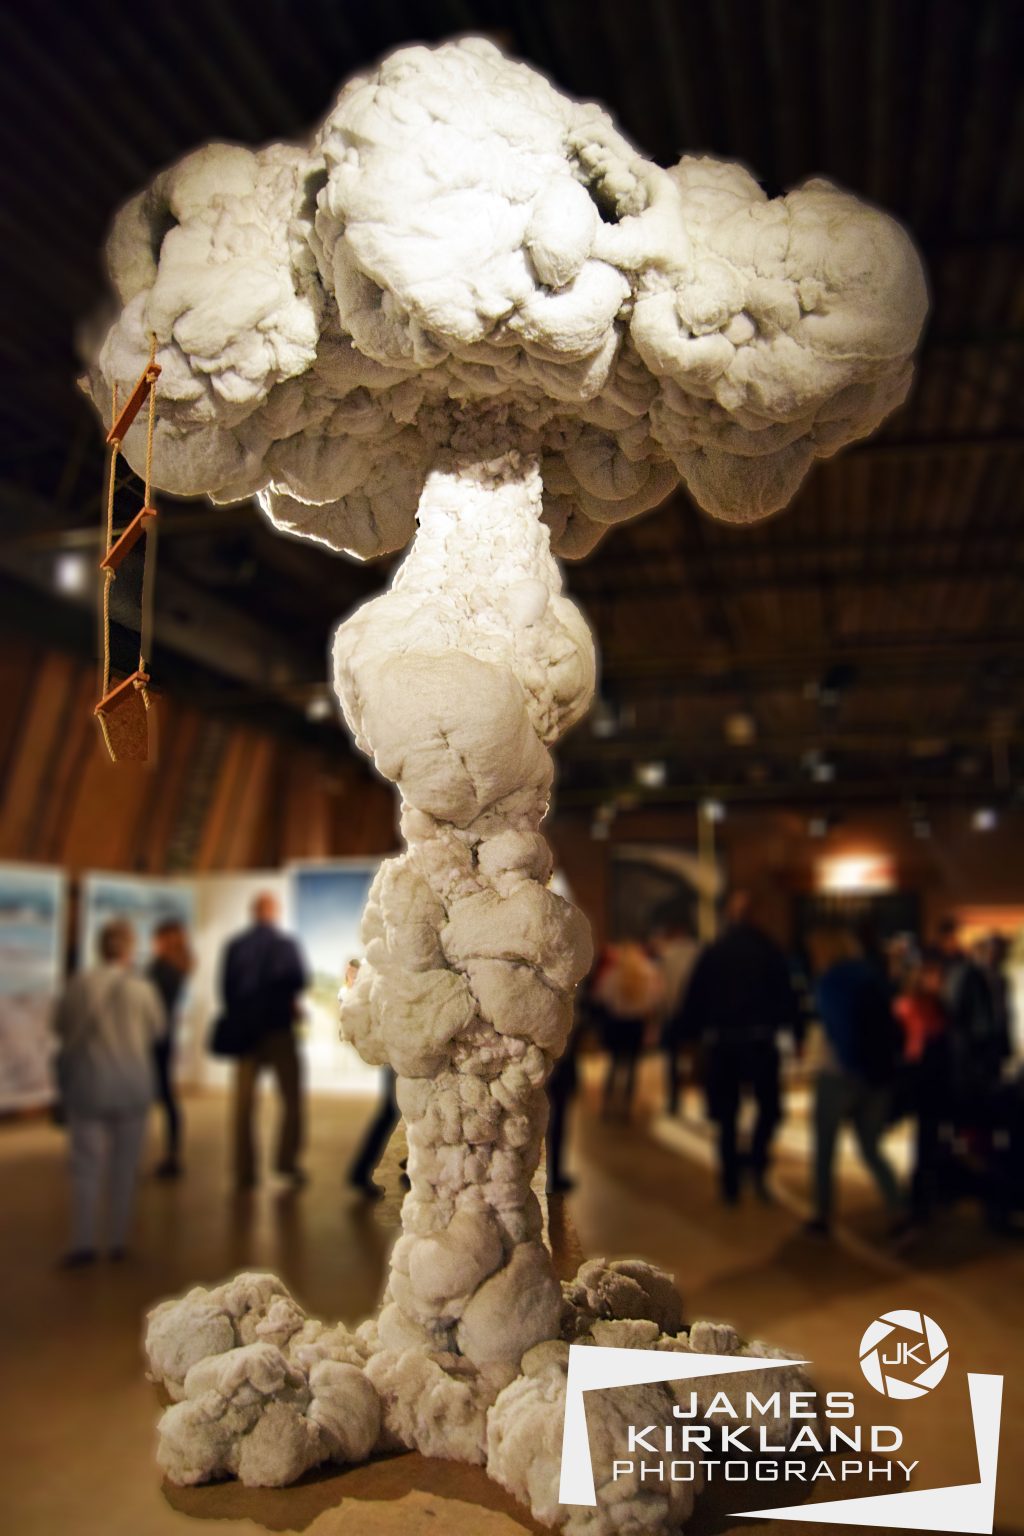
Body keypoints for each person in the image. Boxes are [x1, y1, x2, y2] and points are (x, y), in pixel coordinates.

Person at [677, 889, 802, 1204]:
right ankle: (757, 1168)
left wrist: (688, 1038)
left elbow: (695, 999)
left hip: (723, 1043)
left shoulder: (715, 951)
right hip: (760, 1042)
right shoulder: (769, 950)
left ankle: (730, 1181)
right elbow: (787, 998)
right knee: (768, 1110)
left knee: (727, 1115)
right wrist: (795, 1034)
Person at [53, 918, 164, 1266]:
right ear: (129, 949)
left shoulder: (79, 985)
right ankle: (117, 1241)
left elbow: (61, 1027)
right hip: (132, 1085)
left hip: (88, 1086)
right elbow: (158, 1030)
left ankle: (83, 1242)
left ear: (99, 947)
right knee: (125, 1167)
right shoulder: (142, 988)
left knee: (85, 1167)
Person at [806, 926, 904, 1236]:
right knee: (871, 1147)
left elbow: (838, 1030)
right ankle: (897, 1209)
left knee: (825, 1148)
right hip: (878, 1076)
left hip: (839, 1074)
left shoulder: (830, 982)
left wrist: (850, 1063)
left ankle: (823, 1215)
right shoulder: (873, 977)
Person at [220, 892, 309, 1190]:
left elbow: (225, 989)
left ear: (254, 912)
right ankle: (286, 1164)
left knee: (244, 1105)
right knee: (291, 1100)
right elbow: (299, 980)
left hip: (246, 1034)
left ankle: (245, 1171)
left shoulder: (235, 946)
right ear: (273, 912)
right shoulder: (285, 945)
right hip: (279, 1030)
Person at [894, 947, 951, 1227]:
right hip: (918, 1078)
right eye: (932, 974)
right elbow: (902, 1045)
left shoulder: (939, 1006)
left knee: (931, 1138)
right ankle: (918, 1199)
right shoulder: (906, 1006)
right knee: (924, 1138)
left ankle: (929, 1194)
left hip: (937, 1080)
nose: (938, 980)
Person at [345, 961, 401, 1199]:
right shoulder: (393, 970)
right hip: (400, 1049)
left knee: (397, 1111)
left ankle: (413, 1165)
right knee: (392, 1111)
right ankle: (360, 1172)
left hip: (397, 1047)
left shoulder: (387, 968)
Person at [590, 941, 664, 1120]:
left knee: (613, 1064)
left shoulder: (613, 974)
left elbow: (600, 996)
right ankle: (626, 1108)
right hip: (636, 1025)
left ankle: (607, 1105)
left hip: (616, 1024)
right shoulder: (647, 973)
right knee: (632, 1067)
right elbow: (655, 1000)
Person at [147, 917, 193, 1178]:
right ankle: (172, 1154)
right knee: (166, 1094)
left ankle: (168, 1155)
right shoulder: (177, 968)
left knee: (158, 1094)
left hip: (151, 1037)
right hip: (164, 1036)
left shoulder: (162, 969)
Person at [654, 917, 700, 1115]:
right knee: (698, 1054)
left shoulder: (667, 955)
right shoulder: (698, 952)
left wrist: (664, 1010)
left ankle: (674, 1099)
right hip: (695, 1012)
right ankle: (702, 1098)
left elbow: (662, 988)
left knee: (672, 1058)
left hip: (674, 1013)